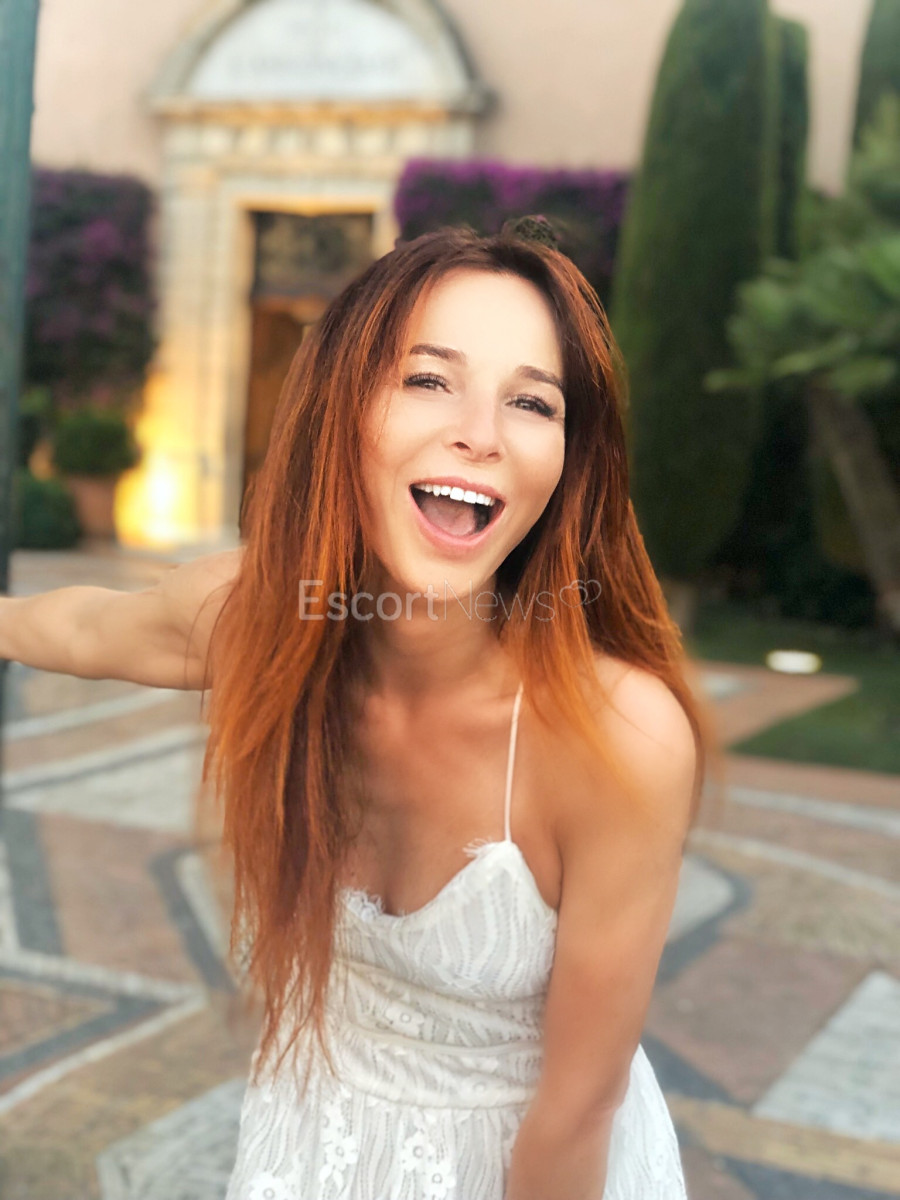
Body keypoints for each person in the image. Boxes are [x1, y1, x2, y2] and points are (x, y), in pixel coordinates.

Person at [0, 217, 721, 1199]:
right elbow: (86, 627)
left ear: (569, 458)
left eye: (532, 401)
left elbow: (578, 1108)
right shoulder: (261, 622)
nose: (481, 433)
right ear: (342, 408)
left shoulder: (616, 737)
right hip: (312, 1143)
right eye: (429, 378)